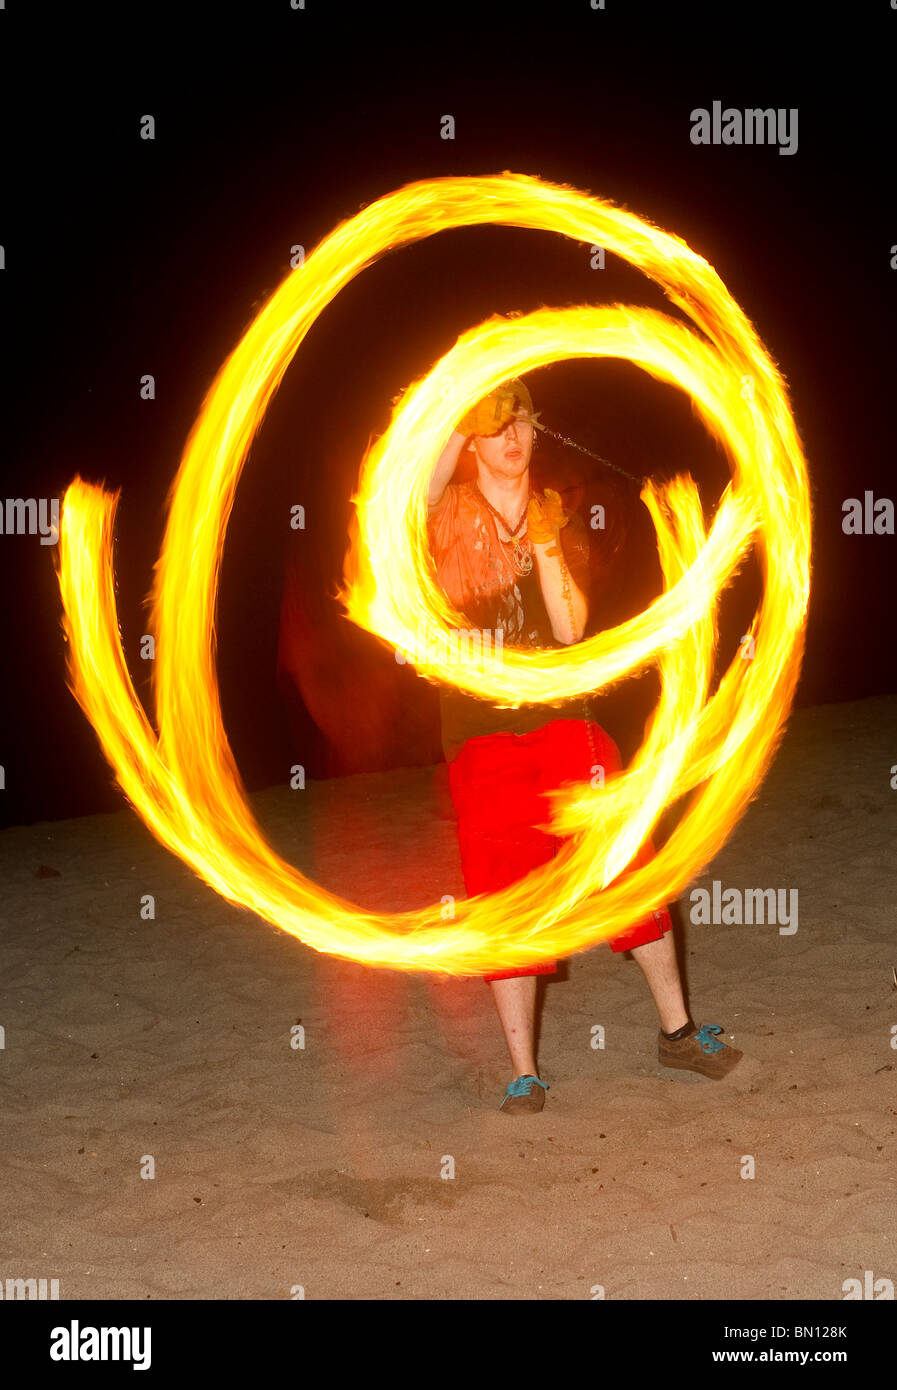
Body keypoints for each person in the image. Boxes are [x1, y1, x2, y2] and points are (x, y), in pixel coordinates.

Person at [426, 377, 743, 1113]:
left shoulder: (555, 516)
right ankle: (524, 1072)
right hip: (479, 732)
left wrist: (542, 542)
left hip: (566, 718)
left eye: (525, 424)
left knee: (623, 861)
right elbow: (413, 492)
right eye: (497, 425)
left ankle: (677, 1032)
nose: (514, 439)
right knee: (505, 894)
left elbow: (570, 631)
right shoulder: (443, 515)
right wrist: (459, 418)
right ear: (473, 438)